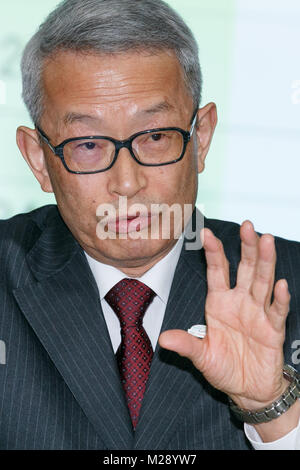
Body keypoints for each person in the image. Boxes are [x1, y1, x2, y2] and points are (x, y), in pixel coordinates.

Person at [0, 0, 299, 450]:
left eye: (155, 137)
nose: (127, 183)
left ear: (201, 137)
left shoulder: (288, 281)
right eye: (87, 145)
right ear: (39, 160)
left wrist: (272, 407)